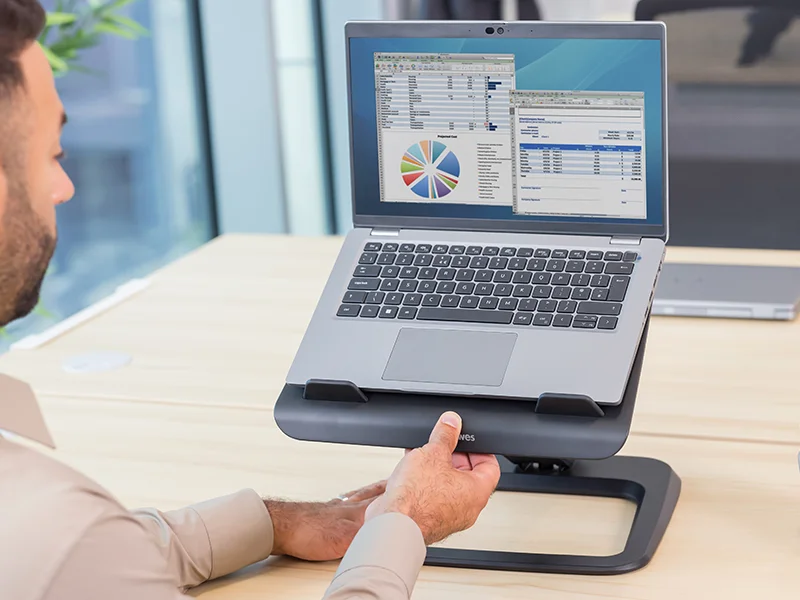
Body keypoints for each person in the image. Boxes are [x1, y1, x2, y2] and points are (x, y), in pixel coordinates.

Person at [0, 1, 502, 599]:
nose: (65, 186)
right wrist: (404, 525)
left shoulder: (61, 537)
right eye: (52, 155)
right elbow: (79, 555)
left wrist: (277, 522)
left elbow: (95, 559)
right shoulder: (60, 532)